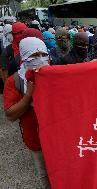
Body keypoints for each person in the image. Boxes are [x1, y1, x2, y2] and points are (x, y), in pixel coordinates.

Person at [3, 37, 51, 188]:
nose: (40, 59)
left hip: (58, 137)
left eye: (43, 54)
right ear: (24, 57)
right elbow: (10, 115)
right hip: (35, 139)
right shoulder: (14, 81)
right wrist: (28, 96)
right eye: (34, 56)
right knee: (45, 175)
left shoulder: (55, 73)